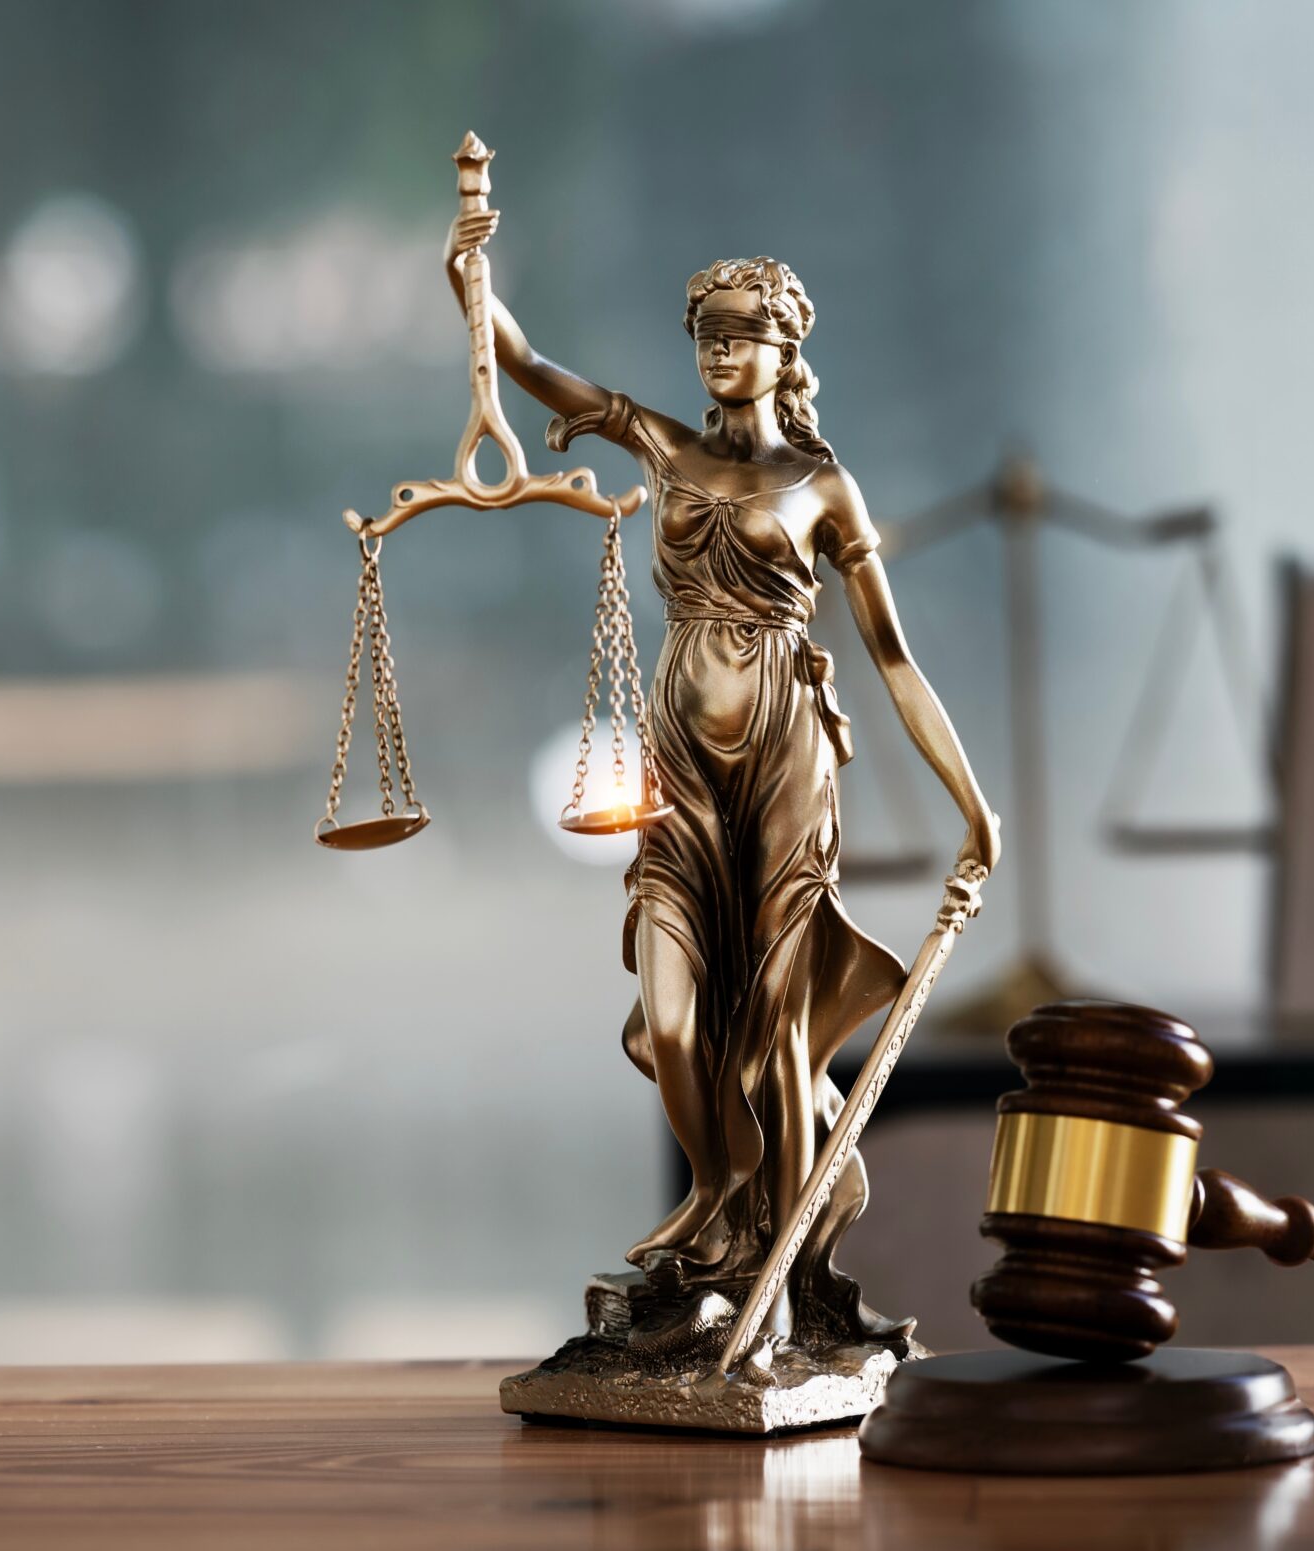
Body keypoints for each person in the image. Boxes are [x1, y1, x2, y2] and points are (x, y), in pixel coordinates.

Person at [448, 215, 999, 1352]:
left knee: (784, 1035)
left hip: (788, 760)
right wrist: (473, 282)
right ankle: (716, 1203)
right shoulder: (664, 446)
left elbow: (894, 660)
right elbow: (527, 365)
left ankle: (784, 1289)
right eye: (705, 331)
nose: (717, 350)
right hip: (681, 769)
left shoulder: (822, 486)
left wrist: (973, 805)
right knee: (672, 1005)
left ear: (785, 349)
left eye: (742, 332)